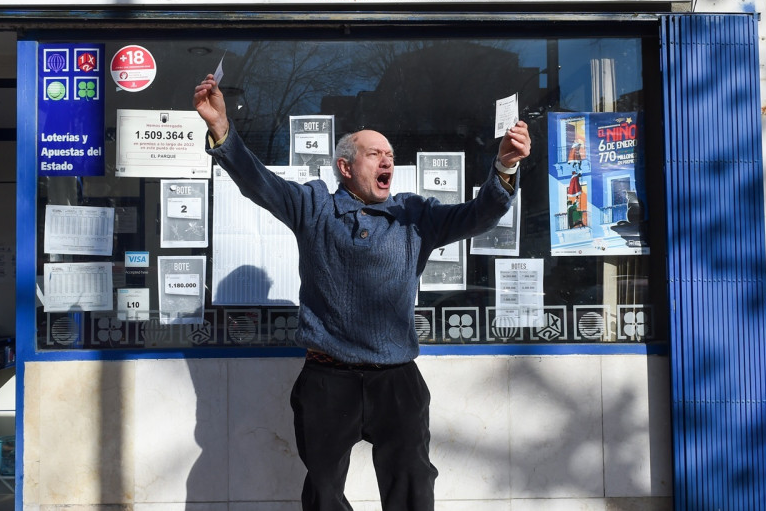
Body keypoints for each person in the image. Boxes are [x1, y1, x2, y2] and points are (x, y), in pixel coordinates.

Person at [193, 74, 531, 511]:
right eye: (375, 154)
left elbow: (479, 214)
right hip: (327, 379)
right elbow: (260, 183)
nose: (386, 160)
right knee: (324, 491)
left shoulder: (415, 215)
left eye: (390, 155)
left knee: (411, 486)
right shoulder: (314, 206)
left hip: (397, 380)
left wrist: (504, 166)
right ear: (346, 167)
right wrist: (222, 131)